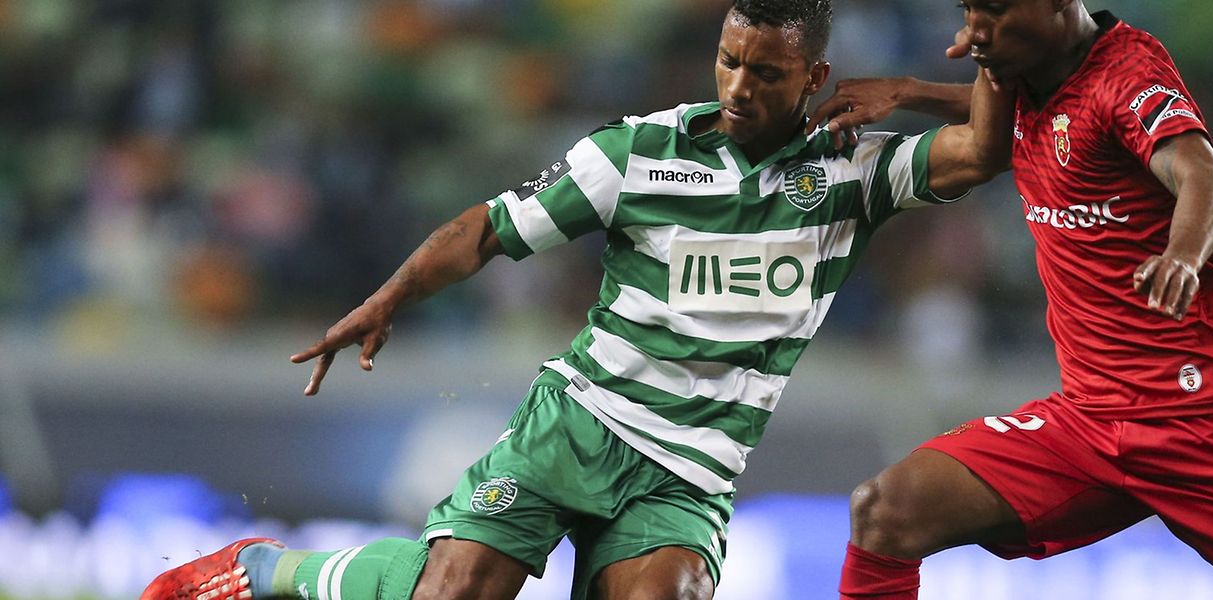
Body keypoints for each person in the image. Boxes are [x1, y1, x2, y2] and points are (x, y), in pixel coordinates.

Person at [138, 1, 1015, 599]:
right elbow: (488, 230)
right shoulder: (637, 153)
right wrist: (390, 297)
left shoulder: (852, 171)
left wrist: (915, 89)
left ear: (816, 75)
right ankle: (266, 570)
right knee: (453, 593)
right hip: (579, 425)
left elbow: (986, 147)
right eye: (729, 60)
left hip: (691, 470)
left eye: (767, 72)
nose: (740, 86)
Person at [814, 1, 1213, 599]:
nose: (972, 32)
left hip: (1200, 422)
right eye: (968, 9)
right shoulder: (1020, 67)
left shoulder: (1126, 76)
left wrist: (1182, 255)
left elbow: (1207, 177)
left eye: (993, 10)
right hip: (1088, 422)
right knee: (886, 510)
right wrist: (909, 91)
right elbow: (1007, 131)